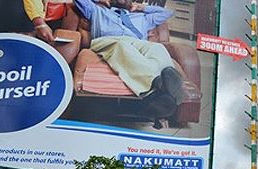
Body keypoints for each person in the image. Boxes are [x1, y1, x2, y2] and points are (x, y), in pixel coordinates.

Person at [73, 0, 184, 128]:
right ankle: (157, 85)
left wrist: (142, 7)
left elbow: (168, 12)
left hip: (138, 43)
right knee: (123, 47)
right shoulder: (96, 10)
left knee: (158, 48)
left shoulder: (143, 17)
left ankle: (165, 89)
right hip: (108, 41)